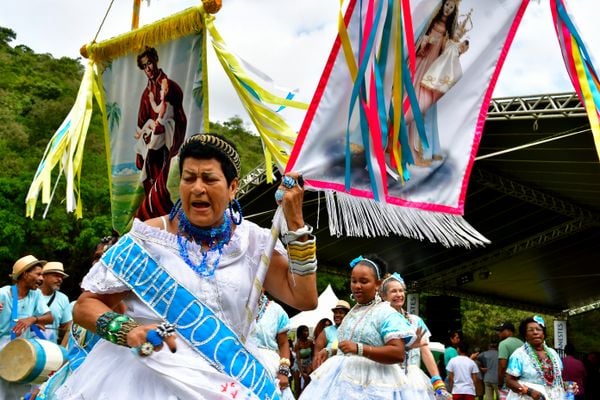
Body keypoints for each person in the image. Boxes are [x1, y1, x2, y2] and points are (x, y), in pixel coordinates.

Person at [54, 133, 318, 399]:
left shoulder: (254, 242)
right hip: (146, 380)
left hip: (229, 379)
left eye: (209, 178)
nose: (197, 188)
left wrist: (294, 221)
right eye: (189, 178)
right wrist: (128, 330)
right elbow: (85, 306)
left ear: (233, 186)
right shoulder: (149, 237)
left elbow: (304, 298)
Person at [299, 254, 414, 399]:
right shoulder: (353, 312)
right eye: (354, 281)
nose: (357, 286)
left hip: (374, 383)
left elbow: (398, 353)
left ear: (378, 284)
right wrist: (330, 351)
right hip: (341, 381)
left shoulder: (386, 313)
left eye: (364, 281)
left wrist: (359, 349)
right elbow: (349, 345)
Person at [401, 0, 461, 166]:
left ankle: (417, 148)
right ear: (442, 5)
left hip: (431, 67)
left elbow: (447, 51)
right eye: (447, 5)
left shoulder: (449, 31)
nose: (448, 9)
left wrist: (453, 46)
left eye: (451, 7)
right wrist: (424, 42)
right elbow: (419, 37)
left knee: (424, 105)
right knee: (408, 94)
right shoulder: (431, 20)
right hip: (421, 59)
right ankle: (398, 138)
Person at [134, 46, 187, 220]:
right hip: (151, 147)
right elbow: (142, 121)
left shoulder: (170, 87)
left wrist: (168, 132)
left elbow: (179, 116)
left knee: (164, 182)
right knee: (150, 181)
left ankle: (166, 214)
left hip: (166, 145)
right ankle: (151, 215)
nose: (148, 68)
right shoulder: (145, 94)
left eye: (149, 63)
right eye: (144, 66)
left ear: (155, 60)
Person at [380, 272, 451, 399]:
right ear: (384, 296)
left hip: (412, 380)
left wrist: (438, 382)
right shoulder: (378, 320)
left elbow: (425, 351)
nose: (399, 295)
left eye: (401, 291)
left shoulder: (415, 321)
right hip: (385, 376)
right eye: (393, 291)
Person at [0, 255, 53, 399]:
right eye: (38, 274)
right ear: (25, 274)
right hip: (2, 351)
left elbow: (49, 317)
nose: (42, 279)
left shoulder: (35, 295)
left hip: (22, 352)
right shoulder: (4, 293)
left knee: (22, 394)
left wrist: (33, 319)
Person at [505, 316, 575, 400]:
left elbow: (555, 381)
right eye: (530, 330)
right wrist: (530, 392)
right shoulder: (519, 354)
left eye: (538, 329)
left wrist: (567, 386)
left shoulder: (553, 353)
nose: (535, 332)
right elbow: (509, 381)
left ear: (543, 334)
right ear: (525, 335)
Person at [248, 292, 294, 399]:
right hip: (239, 362)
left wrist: (283, 372)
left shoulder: (276, 310)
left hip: (270, 367)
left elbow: (283, 344)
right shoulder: (236, 305)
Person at [38, 261, 72, 344]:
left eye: (61, 277)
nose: (60, 279)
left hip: (50, 351)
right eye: (56, 276)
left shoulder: (63, 298)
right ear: (44, 276)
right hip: (24, 348)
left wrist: (62, 349)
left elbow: (66, 328)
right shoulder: (30, 295)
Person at [313, 300, 350, 369]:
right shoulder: (327, 331)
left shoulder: (353, 330)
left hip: (348, 370)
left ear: (348, 315)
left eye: (341, 313)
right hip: (329, 371)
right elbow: (317, 355)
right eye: (335, 313)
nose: (337, 315)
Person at [496, 321, 523, 399]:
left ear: (509, 331)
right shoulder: (521, 343)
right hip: (521, 382)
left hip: (507, 383)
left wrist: (500, 383)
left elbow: (502, 366)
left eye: (501, 331)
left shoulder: (503, 344)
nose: (499, 333)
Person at [293, 324, 314, 397]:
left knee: (307, 384)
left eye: (307, 330)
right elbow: (298, 360)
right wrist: (302, 373)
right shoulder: (297, 344)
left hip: (308, 362)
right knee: (297, 386)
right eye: (305, 331)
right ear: (300, 333)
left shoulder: (310, 342)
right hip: (298, 364)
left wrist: (311, 366)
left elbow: (313, 355)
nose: (307, 332)